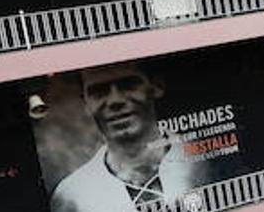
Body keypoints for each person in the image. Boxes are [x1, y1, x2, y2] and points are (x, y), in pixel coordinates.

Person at [50, 63, 198, 212]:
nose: (115, 100)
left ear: (157, 86)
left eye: (128, 85)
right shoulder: (72, 195)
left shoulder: (204, 159)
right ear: (85, 103)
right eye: (99, 91)